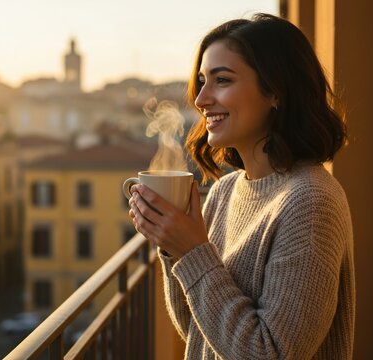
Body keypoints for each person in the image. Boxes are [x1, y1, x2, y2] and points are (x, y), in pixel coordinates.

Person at [128, 13, 355, 360]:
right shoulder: (224, 192)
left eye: (222, 80)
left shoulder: (310, 202)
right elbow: (198, 330)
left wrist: (191, 250)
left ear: (276, 90)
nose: (201, 99)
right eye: (202, 81)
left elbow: (269, 353)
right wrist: (171, 244)